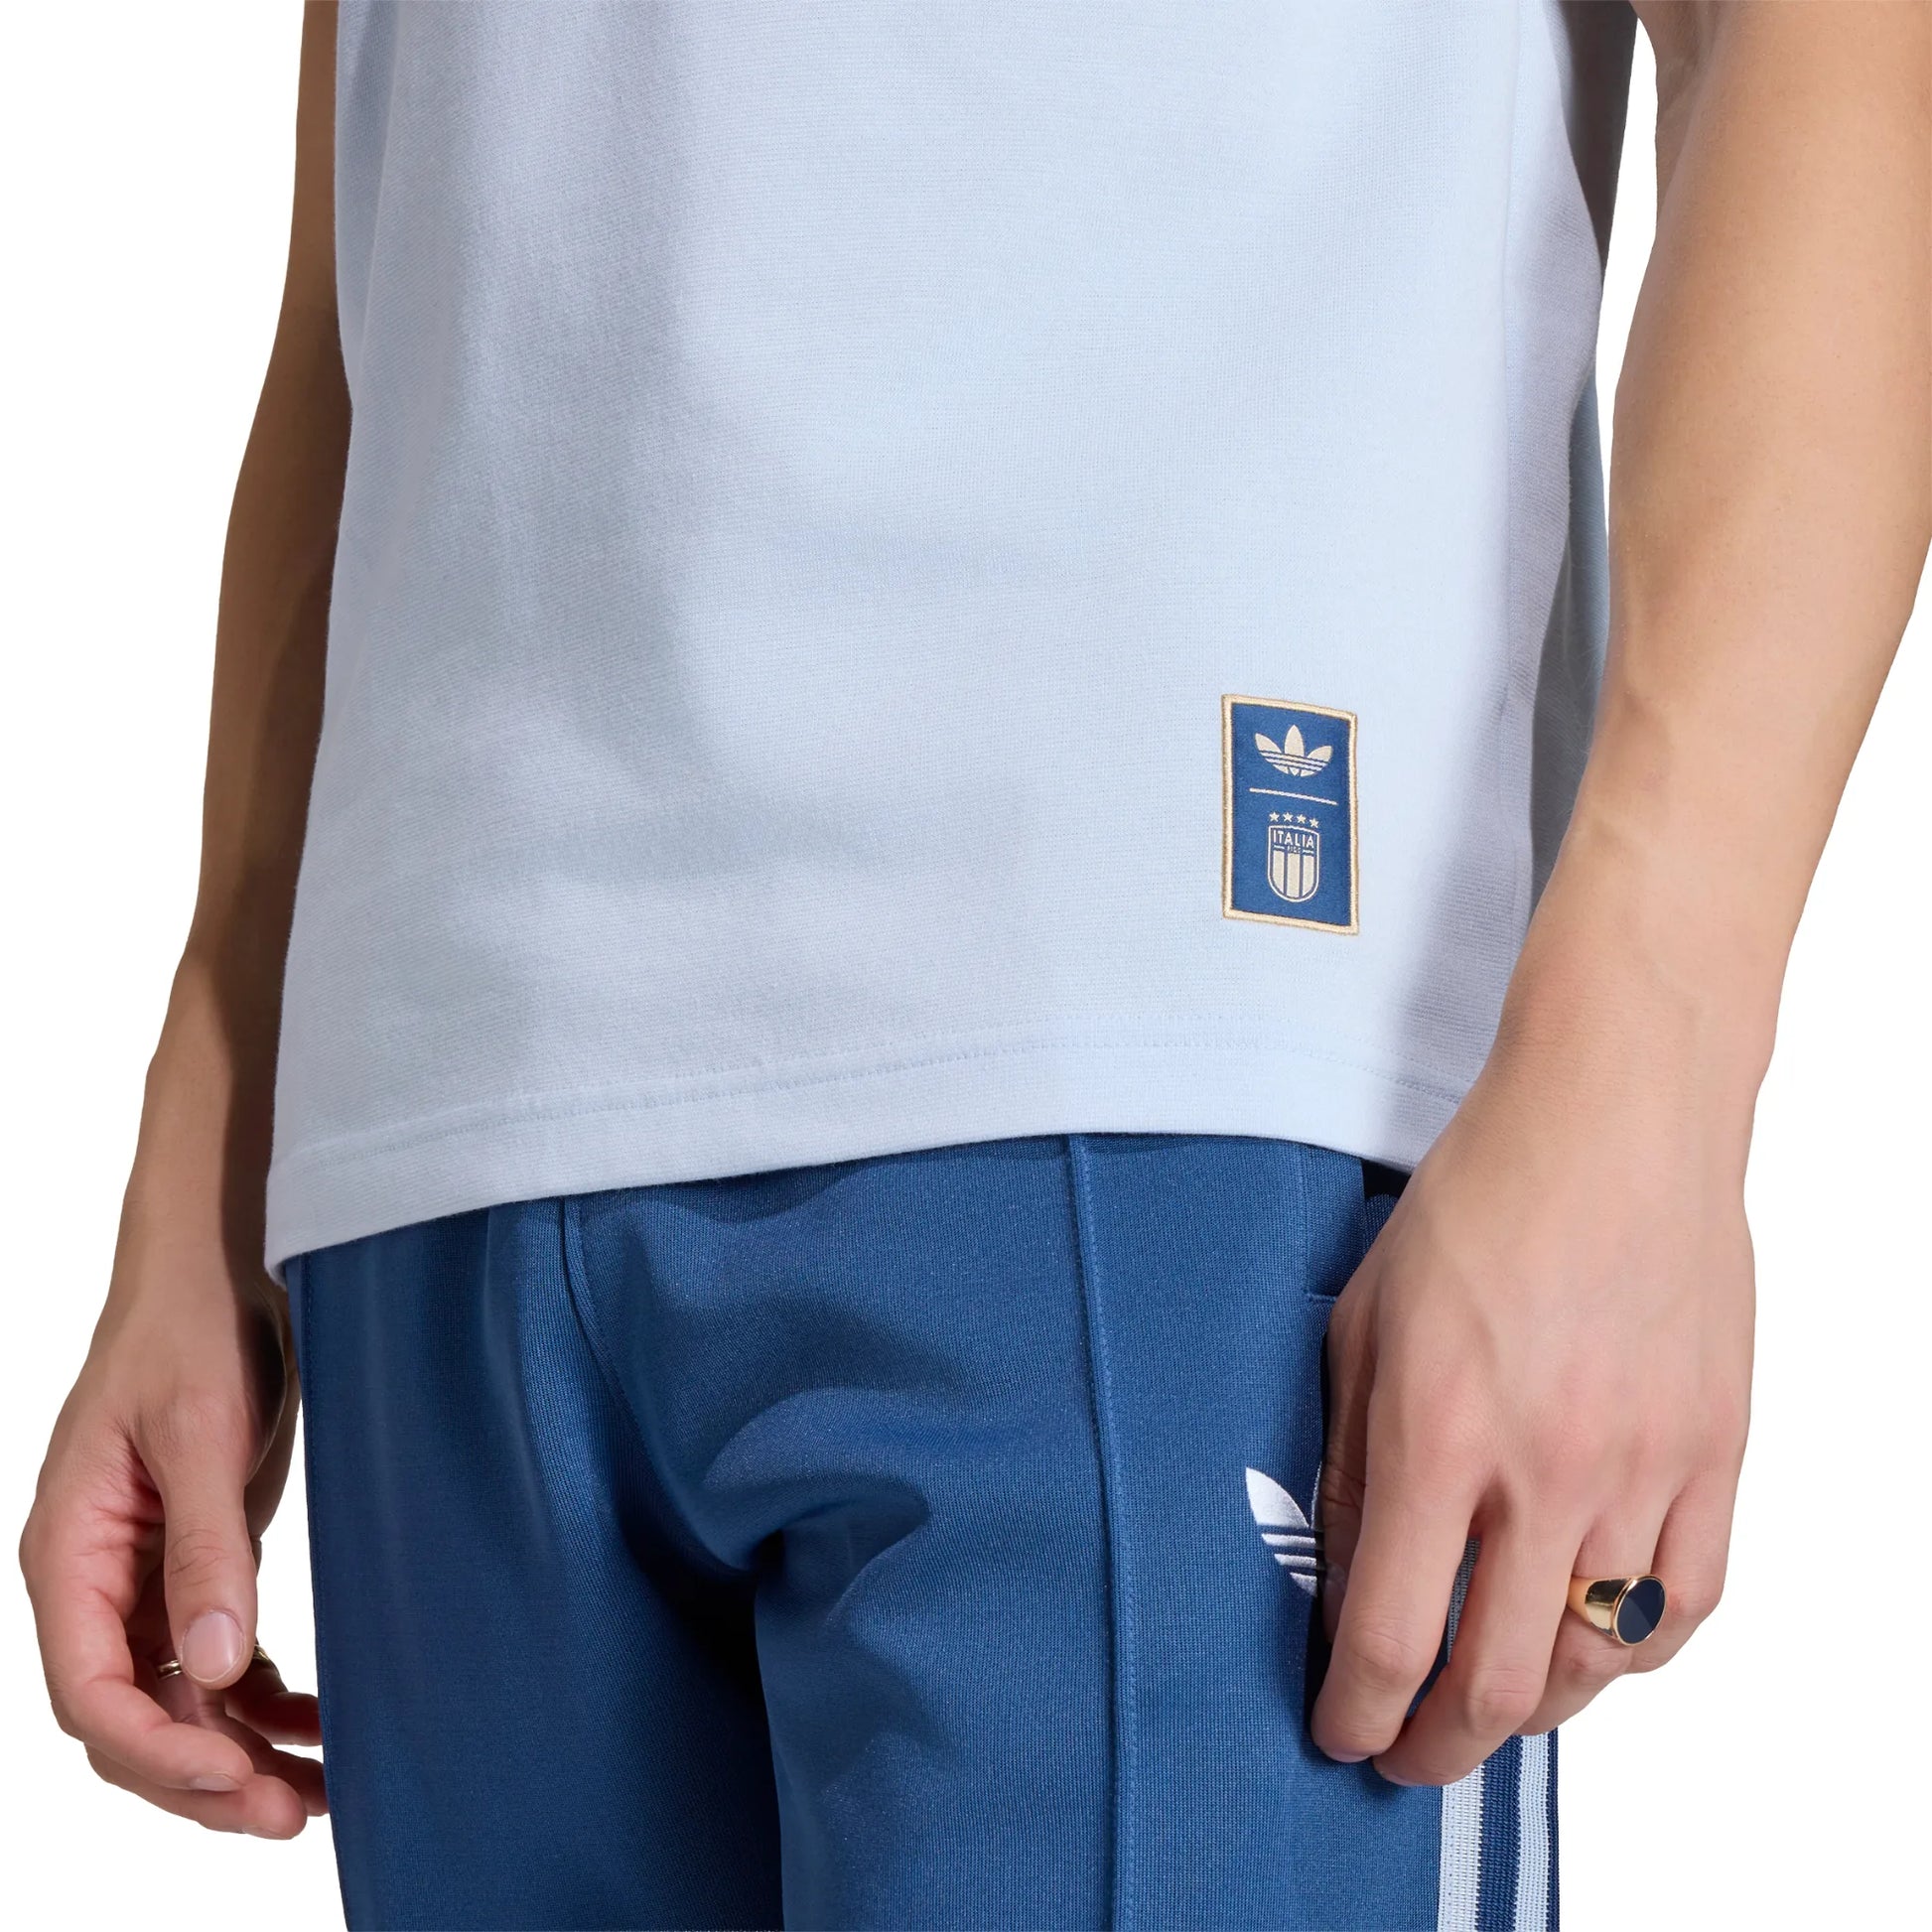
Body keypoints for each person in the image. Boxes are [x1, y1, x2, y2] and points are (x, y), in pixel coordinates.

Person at [20, 3, 1929, 1927]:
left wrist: (1652, 1081)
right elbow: (377, 230)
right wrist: (214, 1137)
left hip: (1164, 1039)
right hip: (441, 1132)